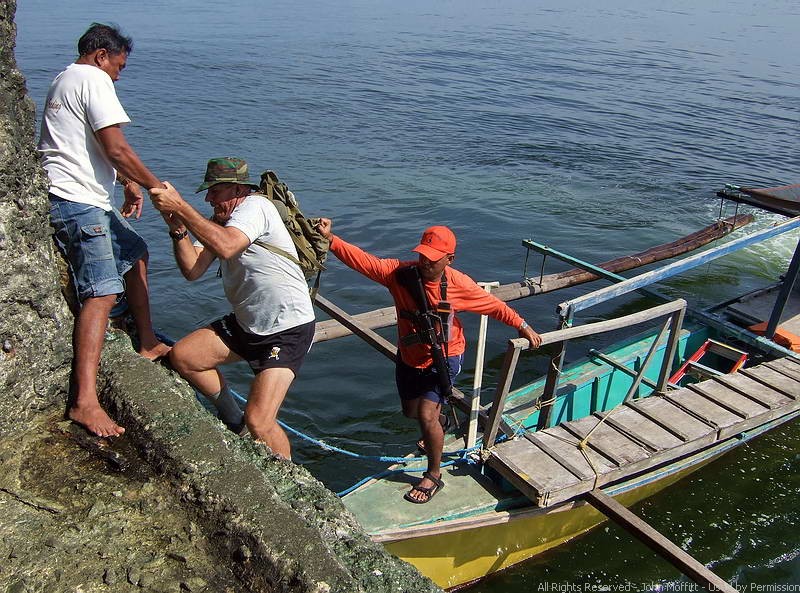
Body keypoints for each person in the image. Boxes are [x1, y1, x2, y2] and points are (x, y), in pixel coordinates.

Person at [318, 219, 542, 503]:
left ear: (450, 259)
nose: (425, 262)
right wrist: (331, 239)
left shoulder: (459, 284)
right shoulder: (399, 274)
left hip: (445, 356)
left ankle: (434, 475)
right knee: (413, 414)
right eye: (423, 254)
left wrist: (523, 325)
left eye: (433, 259)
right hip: (410, 357)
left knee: (425, 415)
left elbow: (495, 307)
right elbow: (364, 262)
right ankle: (442, 421)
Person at [38, 22, 170, 438]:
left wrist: (128, 183)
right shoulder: (93, 79)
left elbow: (87, 143)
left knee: (135, 251)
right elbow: (115, 146)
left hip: (79, 195)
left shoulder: (65, 78)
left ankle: (146, 340)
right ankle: (85, 402)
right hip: (77, 202)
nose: (118, 74)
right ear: (100, 55)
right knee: (101, 293)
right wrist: (155, 186)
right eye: (119, 66)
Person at [149, 158, 316, 460]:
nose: (209, 199)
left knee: (261, 421)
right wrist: (178, 230)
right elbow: (193, 270)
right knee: (184, 357)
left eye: (215, 191)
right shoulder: (221, 223)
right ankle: (232, 421)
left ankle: (292, 484)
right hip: (247, 324)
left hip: (287, 330)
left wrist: (182, 207)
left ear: (238, 189)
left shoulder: (255, 207)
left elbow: (227, 247)